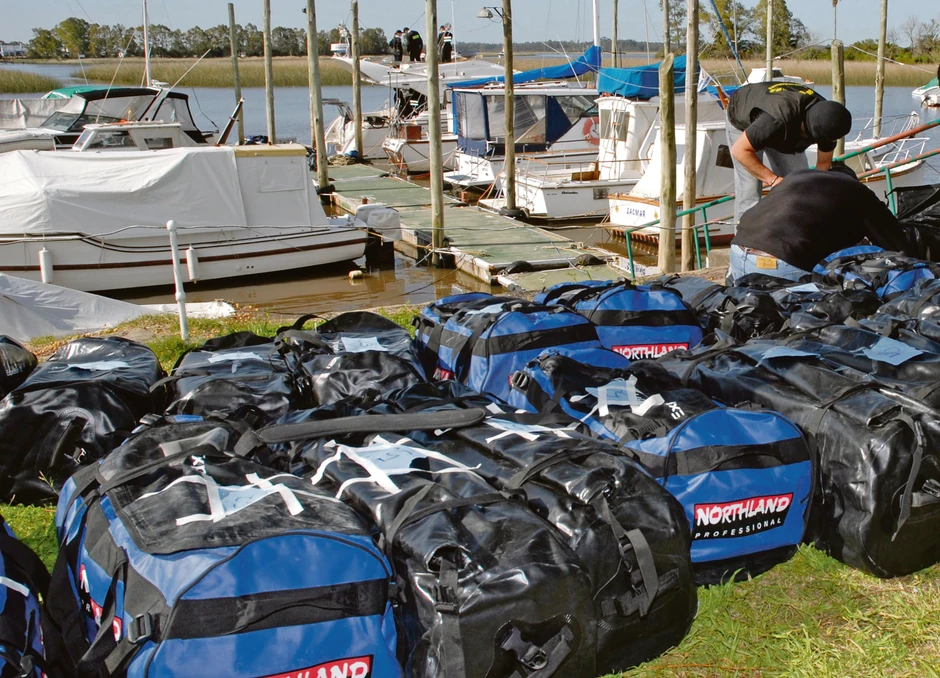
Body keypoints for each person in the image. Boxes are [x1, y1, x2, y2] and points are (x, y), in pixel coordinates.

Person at [726, 162, 914, 284]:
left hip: (737, 252)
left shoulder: (796, 177)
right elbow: (893, 241)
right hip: (778, 262)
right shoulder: (855, 190)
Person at [725, 81, 853, 225]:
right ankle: (744, 245)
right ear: (806, 128)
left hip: (780, 125)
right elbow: (739, 150)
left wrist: (815, 191)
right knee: (750, 190)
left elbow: (822, 164)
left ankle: (793, 232)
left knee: (799, 182)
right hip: (743, 115)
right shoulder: (777, 118)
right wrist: (772, 179)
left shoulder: (829, 120)